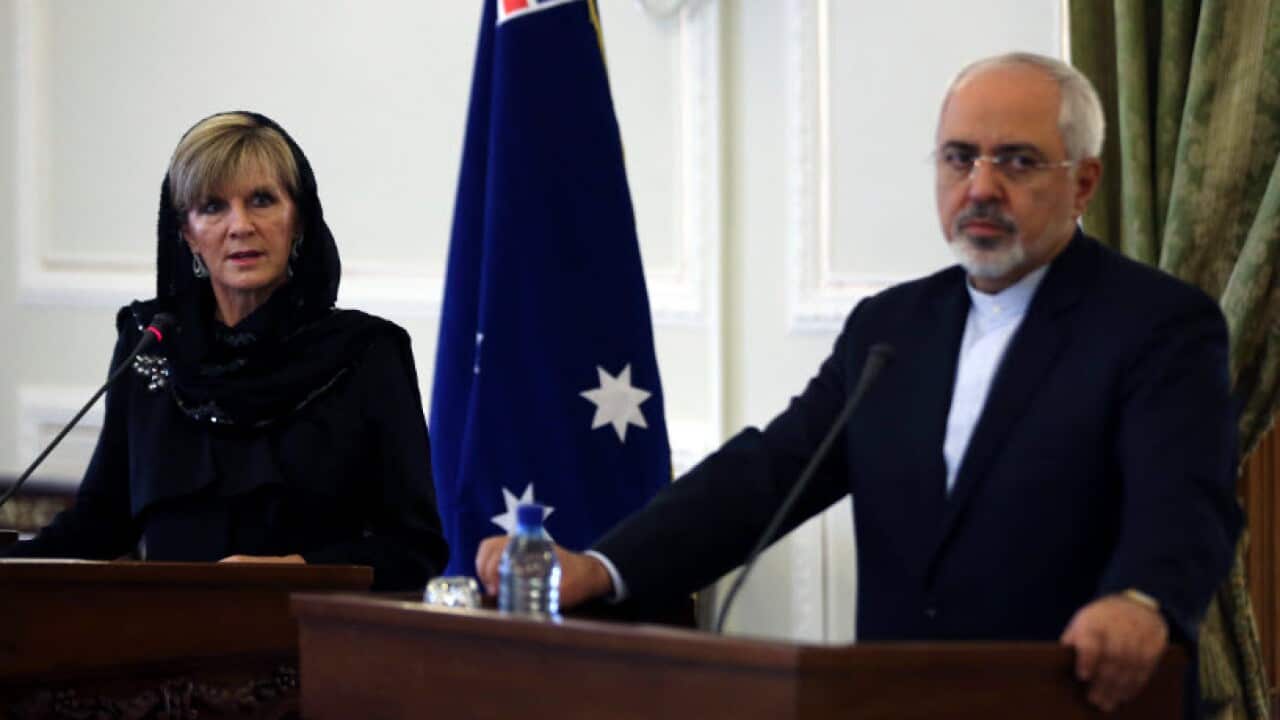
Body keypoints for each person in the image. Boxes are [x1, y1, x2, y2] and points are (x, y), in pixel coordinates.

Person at [477, 53, 1241, 713]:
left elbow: (1186, 499)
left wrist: (1141, 600)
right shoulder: (892, 328)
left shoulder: (1157, 325)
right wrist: (602, 567)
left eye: (1016, 160)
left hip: (1071, 702)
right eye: (957, 157)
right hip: (896, 702)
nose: (980, 186)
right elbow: (767, 474)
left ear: (1084, 183)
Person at [3, 112, 448, 590]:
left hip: (309, 645)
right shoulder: (150, 343)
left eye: (261, 200)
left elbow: (413, 547)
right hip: (162, 647)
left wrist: (295, 572)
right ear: (187, 233)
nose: (240, 225)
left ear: (298, 218)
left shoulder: (366, 353)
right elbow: (99, 526)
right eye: (213, 207)